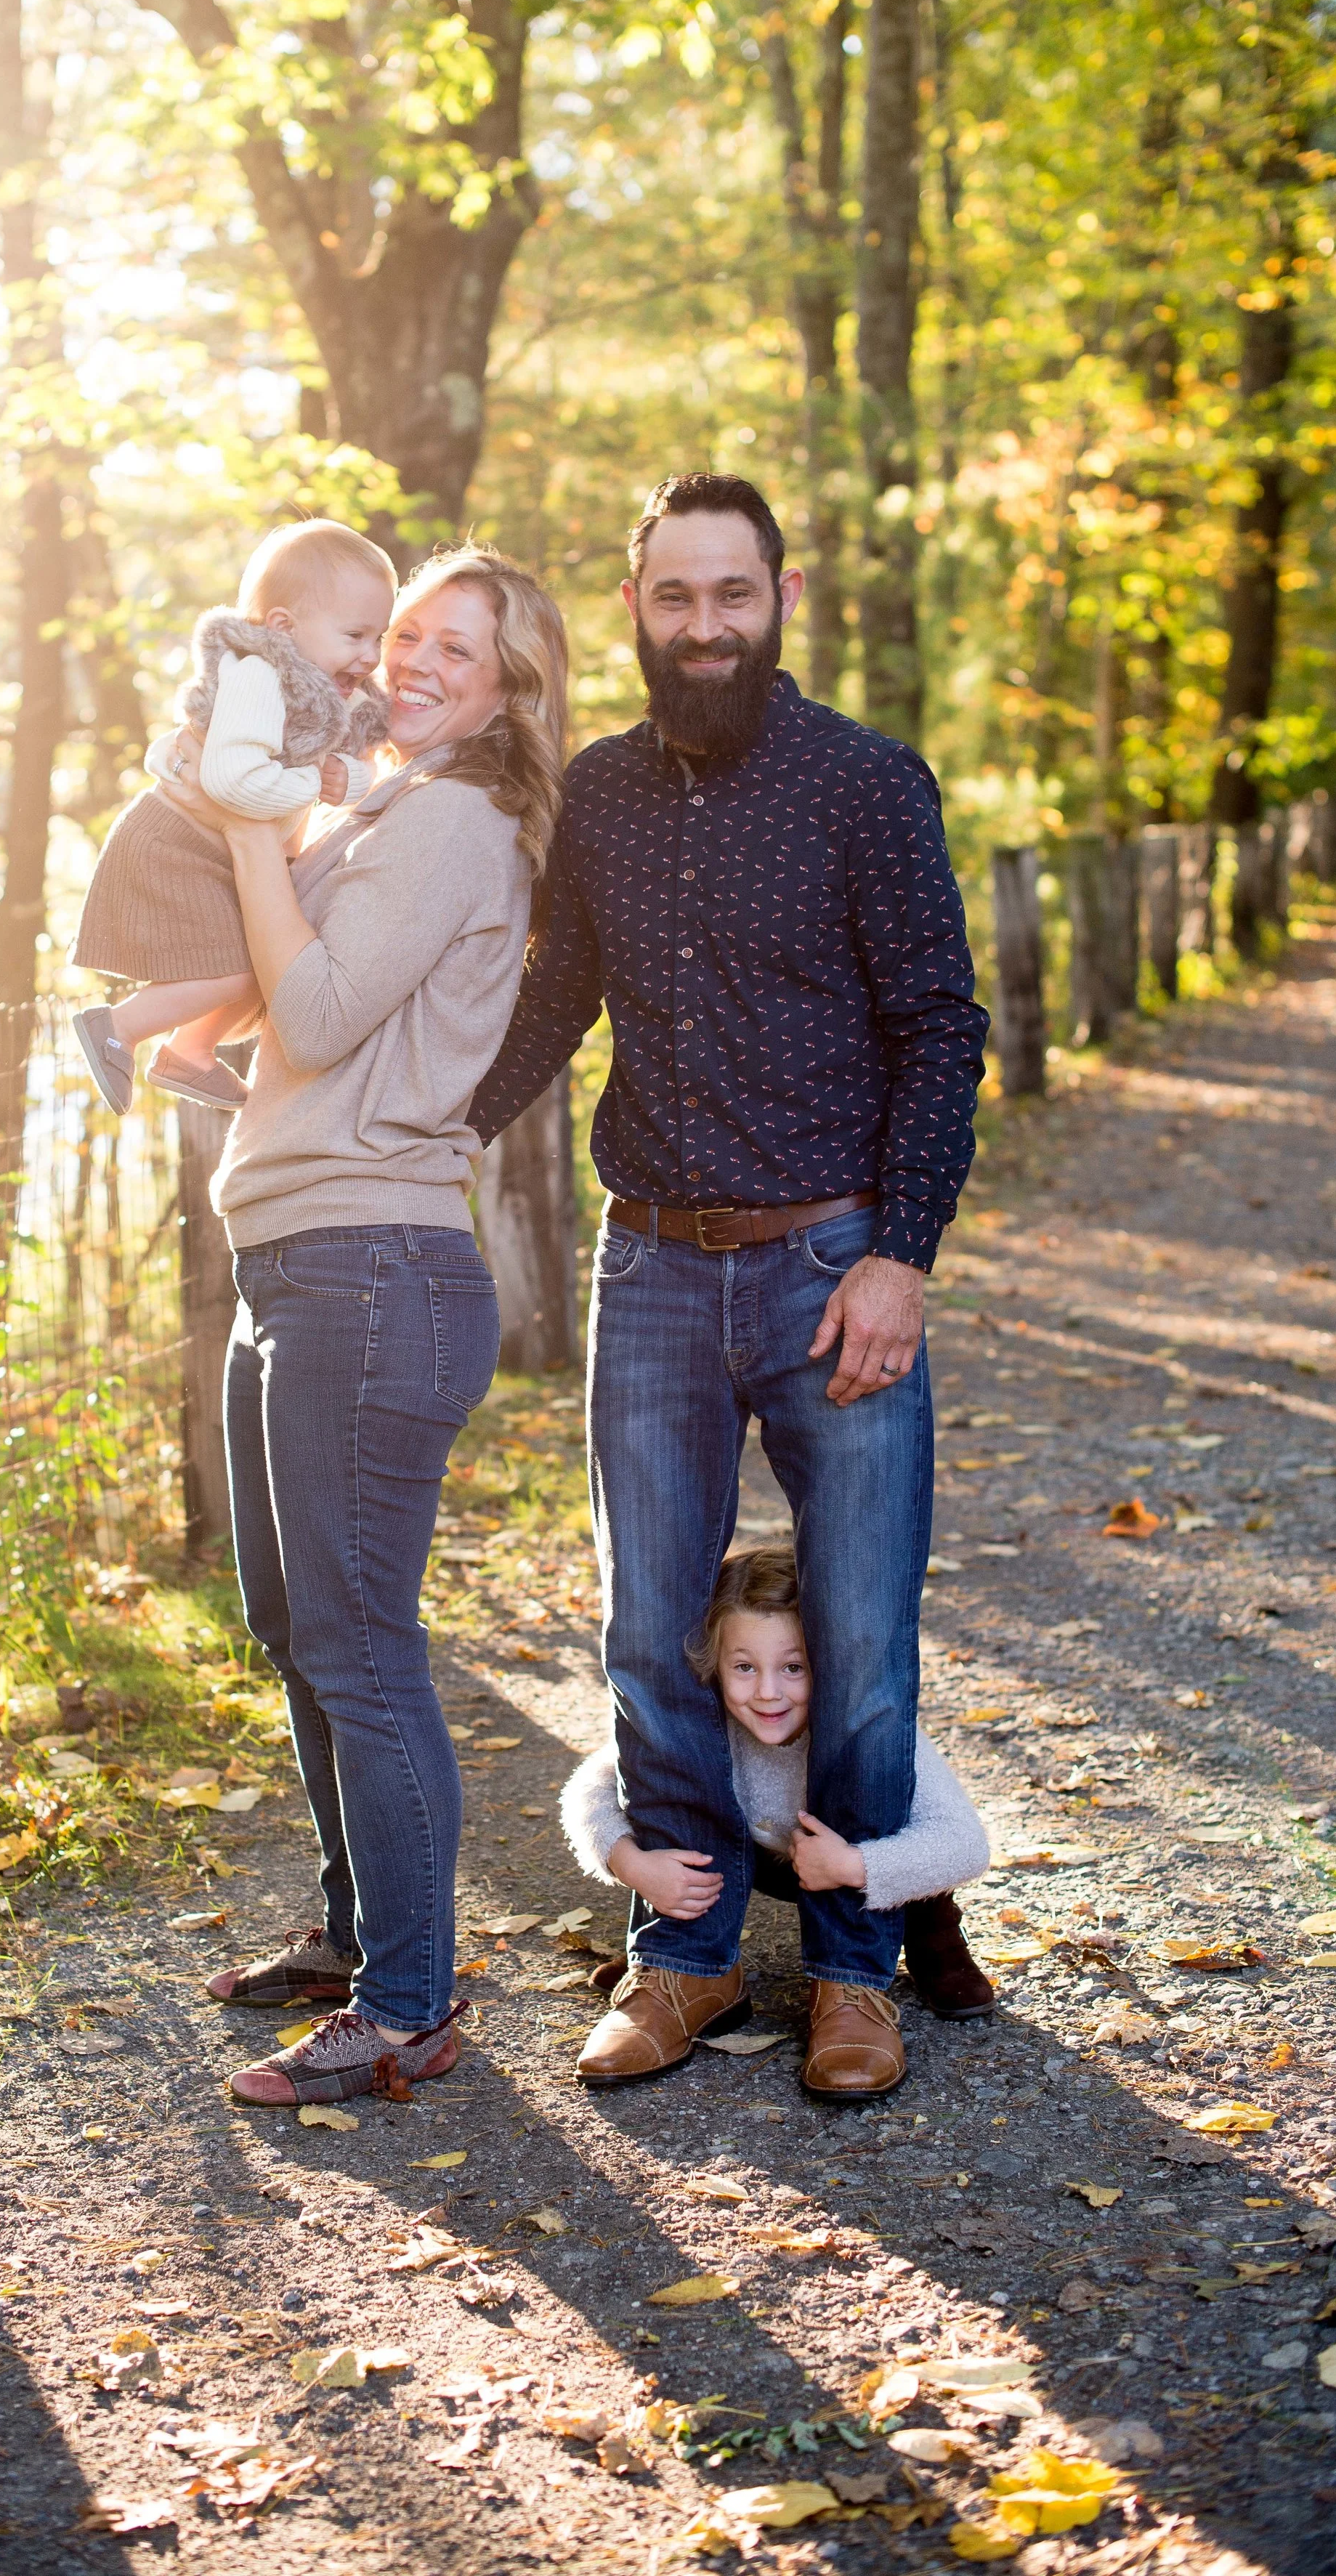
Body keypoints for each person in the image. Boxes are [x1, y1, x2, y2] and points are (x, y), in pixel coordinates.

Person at [471, 472, 988, 2102]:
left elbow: (936, 1026)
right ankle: (680, 1959)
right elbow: (553, 998)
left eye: (731, 595)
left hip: (837, 1261)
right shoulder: (602, 798)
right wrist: (425, 1130)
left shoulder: (865, 784)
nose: (702, 626)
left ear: (780, 597)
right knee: (644, 1625)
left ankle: (852, 1975)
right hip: (651, 1268)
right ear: (634, 607)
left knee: (857, 1627)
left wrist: (900, 1253)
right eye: (672, 598)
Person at [194, 544, 571, 2107]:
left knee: (359, 1645)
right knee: (298, 1627)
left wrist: (242, 829)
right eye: (406, 632)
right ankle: (360, 1941)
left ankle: (409, 2007)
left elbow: (328, 1013)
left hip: (371, 1271)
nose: (414, 660)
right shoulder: (384, 809)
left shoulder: (455, 819)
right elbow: (329, 1027)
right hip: (297, 1258)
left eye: (457, 652)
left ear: (507, 694)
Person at [559, 1543, 995, 2068]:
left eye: (794, 1667)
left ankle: (935, 1942)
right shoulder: (705, 1725)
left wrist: (855, 1866)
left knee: (911, 1866)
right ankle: (674, 1959)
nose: (768, 1693)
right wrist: (630, 1863)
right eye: (744, 1666)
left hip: (862, 1855)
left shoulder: (872, 1731)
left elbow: (966, 1845)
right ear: (714, 1665)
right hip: (760, 1856)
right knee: (658, 1798)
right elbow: (590, 1786)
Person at [71, 519, 395, 1112]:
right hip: (179, 840)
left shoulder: (325, 691)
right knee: (232, 969)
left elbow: (340, 769)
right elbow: (231, 778)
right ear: (282, 627)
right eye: (355, 635)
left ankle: (188, 1054)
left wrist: (345, 778)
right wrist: (310, 780)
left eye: (379, 638)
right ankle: (115, 1026)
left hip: (217, 845)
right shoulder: (260, 675)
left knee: (260, 963)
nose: (370, 656)